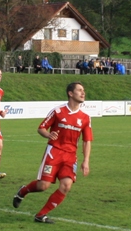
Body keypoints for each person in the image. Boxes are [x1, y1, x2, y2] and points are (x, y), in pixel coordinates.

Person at [12, 81, 93, 223]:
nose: (83, 93)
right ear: (70, 93)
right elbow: (41, 128)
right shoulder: (58, 111)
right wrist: (48, 135)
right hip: (54, 152)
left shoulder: (85, 117)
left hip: (70, 156)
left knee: (66, 185)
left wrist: (86, 161)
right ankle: (23, 191)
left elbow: (87, 141)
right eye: (80, 90)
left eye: (83, 90)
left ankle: (41, 215)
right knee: (43, 186)